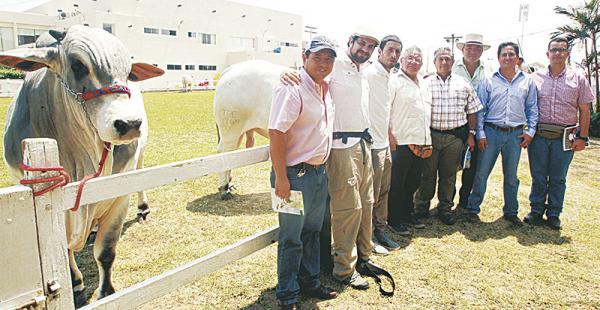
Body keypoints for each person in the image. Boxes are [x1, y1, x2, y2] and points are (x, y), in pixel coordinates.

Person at [281, 26, 380, 290]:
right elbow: (307, 74)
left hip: (363, 142)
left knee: (366, 204)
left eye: (371, 46)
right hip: (339, 146)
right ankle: (343, 269)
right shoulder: (334, 64)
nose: (365, 50)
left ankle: (363, 257)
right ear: (351, 41)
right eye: (362, 43)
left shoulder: (363, 70)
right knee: (348, 209)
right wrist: (286, 71)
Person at [269, 35, 338, 309]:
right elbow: (276, 132)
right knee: (291, 238)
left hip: (318, 174)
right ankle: (287, 295)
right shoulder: (292, 88)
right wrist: (281, 178)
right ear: (304, 57)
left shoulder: (325, 88)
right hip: (294, 176)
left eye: (329, 58)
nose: (323, 63)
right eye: (317, 57)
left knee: (312, 232)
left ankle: (310, 282)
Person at [465, 42, 539, 226]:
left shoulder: (527, 81)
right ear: (498, 58)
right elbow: (480, 109)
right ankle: (473, 209)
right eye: (504, 54)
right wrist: (480, 133)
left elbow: (532, 109)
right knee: (482, 173)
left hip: (515, 134)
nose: (507, 58)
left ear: (517, 58)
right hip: (491, 132)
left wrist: (530, 131)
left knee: (511, 176)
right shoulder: (488, 81)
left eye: (511, 54)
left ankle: (511, 211)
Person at [526, 36, 594, 230]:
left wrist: (582, 137)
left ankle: (554, 213)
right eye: (554, 50)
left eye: (561, 50)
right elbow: (528, 106)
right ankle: (536, 210)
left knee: (558, 177)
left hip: (565, 137)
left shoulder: (579, 79)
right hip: (539, 136)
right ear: (547, 54)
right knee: (538, 175)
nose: (557, 53)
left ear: (567, 54)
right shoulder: (535, 78)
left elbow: (585, 111)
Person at [413, 47, 482, 225]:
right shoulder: (424, 83)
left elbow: (473, 111)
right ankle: (421, 207)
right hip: (431, 136)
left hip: (454, 138)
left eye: (447, 59)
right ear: (434, 62)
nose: (444, 62)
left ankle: (445, 208)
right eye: (440, 59)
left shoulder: (463, 83)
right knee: (427, 175)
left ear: (453, 62)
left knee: (449, 175)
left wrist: (471, 134)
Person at [364, 35, 403, 252]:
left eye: (397, 51)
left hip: (384, 143)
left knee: (383, 190)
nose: (394, 55)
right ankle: (368, 236)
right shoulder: (369, 74)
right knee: (371, 193)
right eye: (390, 50)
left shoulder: (391, 77)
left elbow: (385, 111)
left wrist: (389, 136)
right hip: (370, 144)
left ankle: (380, 229)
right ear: (379, 51)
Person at [387, 46, 432, 233]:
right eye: (410, 58)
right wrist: (389, 135)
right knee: (397, 182)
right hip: (401, 140)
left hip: (421, 140)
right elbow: (386, 109)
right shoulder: (394, 81)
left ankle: (407, 213)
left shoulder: (424, 82)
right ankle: (394, 219)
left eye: (418, 59)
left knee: (413, 182)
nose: (414, 62)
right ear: (402, 60)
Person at [452, 33, 492, 211]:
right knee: (450, 166)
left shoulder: (488, 70)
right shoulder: (452, 67)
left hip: (479, 124)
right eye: (469, 47)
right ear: (463, 49)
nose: (473, 51)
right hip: (455, 123)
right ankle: (446, 202)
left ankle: (464, 201)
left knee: (472, 166)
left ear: (482, 51)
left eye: (477, 48)